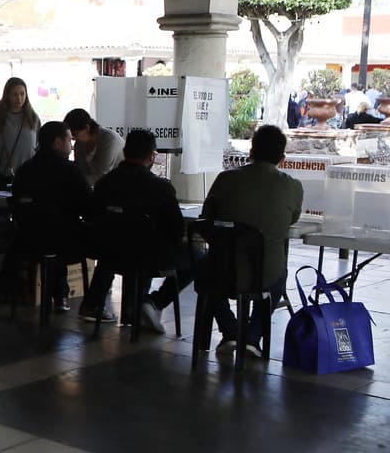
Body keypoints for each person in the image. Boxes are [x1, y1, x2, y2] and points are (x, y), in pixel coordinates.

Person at [197, 124, 303, 356]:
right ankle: (253, 337)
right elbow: (291, 218)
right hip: (265, 274)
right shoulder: (292, 186)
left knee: (204, 272)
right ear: (282, 158)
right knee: (279, 277)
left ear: (251, 152)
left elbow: (206, 219)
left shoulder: (225, 180)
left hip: (222, 270)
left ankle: (230, 330)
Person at [79, 129, 185, 327]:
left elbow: (91, 215)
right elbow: (176, 231)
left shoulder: (104, 183)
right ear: (152, 156)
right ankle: (152, 303)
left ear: (125, 152)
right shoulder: (160, 188)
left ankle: (94, 304)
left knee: (119, 240)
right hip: (146, 257)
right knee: (195, 256)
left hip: (109, 254)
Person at [11, 120, 90, 312]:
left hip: (26, 240)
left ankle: (59, 293)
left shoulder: (24, 169)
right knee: (63, 231)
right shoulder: (71, 170)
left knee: (51, 230)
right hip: (65, 242)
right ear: (57, 143)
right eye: (69, 141)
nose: (71, 146)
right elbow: (88, 207)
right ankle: (80, 301)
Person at [0, 77, 40, 191]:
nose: (19, 98)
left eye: (22, 94)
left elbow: (39, 145)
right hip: (4, 174)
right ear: (7, 95)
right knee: (3, 207)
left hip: (28, 175)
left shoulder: (33, 118)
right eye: (14, 94)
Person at [65, 108, 123, 187]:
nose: (73, 139)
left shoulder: (109, 140)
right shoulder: (79, 144)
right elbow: (81, 171)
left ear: (87, 128)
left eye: (75, 134)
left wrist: (72, 182)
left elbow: (101, 176)